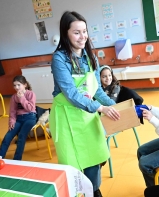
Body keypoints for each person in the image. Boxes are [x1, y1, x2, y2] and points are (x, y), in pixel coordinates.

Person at [50, 11, 120, 197]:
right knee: (73, 164)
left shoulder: (91, 57)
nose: (83, 37)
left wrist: (114, 105)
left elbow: (96, 90)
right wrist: (100, 108)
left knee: (94, 159)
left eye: (85, 31)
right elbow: (71, 94)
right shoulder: (59, 59)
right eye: (77, 32)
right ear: (66, 34)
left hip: (87, 116)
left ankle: (95, 191)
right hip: (66, 117)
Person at [0, 75, 36, 160]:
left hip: (30, 117)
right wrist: (12, 121)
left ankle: (17, 159)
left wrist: (21, 97)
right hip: (19, 119)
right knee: (8, 136)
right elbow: (12, 111)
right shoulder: (14, 97)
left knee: (21, 136)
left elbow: (30, 108)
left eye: (19, 85)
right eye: (14, 85)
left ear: (25, 85)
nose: (16, 87)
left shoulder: (30, 94)